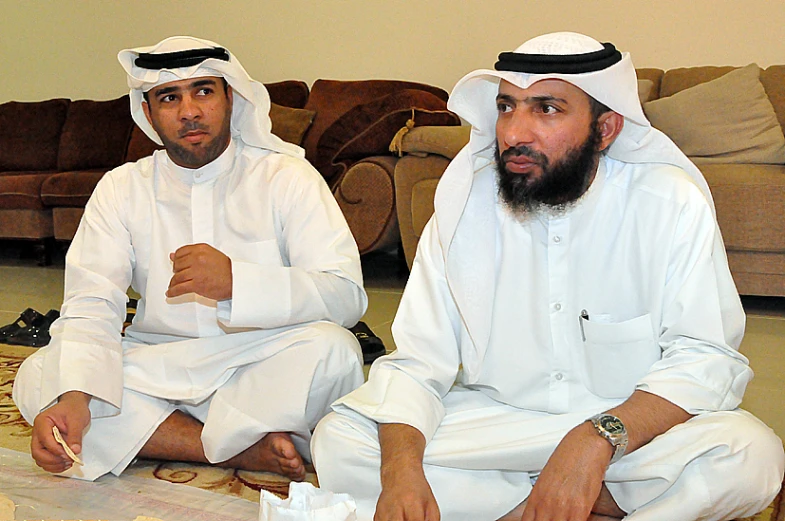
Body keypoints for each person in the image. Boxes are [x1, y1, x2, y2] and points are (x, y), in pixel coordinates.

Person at [311, 32, 785, 521]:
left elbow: (705, 357)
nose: (516, 132)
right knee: (343, 443)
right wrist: (403, 471)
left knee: (749, 455)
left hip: (627, 431)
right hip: (499, 428)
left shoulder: (669, 203)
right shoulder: (462, 211)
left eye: (547, 109)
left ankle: (529, 502)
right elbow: (417, 363)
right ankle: (580, 505)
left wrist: (595, 440)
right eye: (506, 107)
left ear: (606, 129)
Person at [12, 36, 368, 482]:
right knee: (41, 375)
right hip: (158, 360)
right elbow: (91, 302)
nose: (189, 111)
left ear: (230, 98)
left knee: (335, 352)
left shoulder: (286, 177)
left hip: (259, 358)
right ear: (148, 112)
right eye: (169, 97)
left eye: (203, 90)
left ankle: (168, 436)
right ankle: (236, 447)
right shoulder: (122, 188)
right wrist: (78, 395)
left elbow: (346, 296)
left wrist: (238, 283)